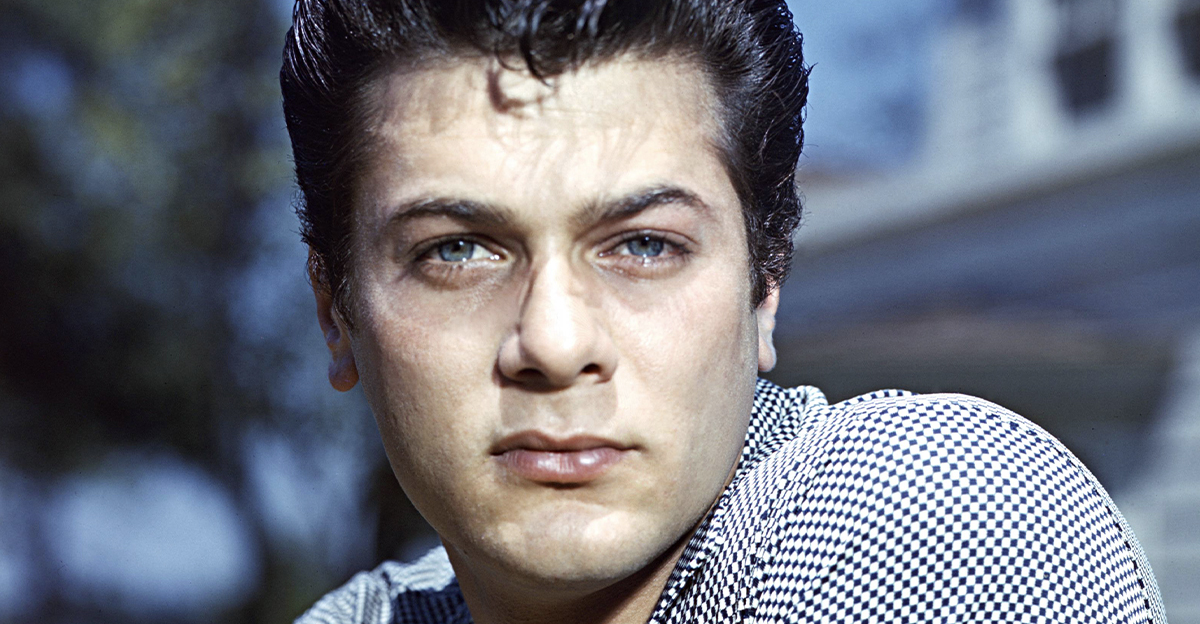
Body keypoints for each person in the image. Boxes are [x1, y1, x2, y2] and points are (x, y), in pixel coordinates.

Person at [280, 1, 1166, 622]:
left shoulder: (933, 509)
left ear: (765, 288)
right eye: (458, 251)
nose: (553, 343)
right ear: (337, 312)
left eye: (643, 245)